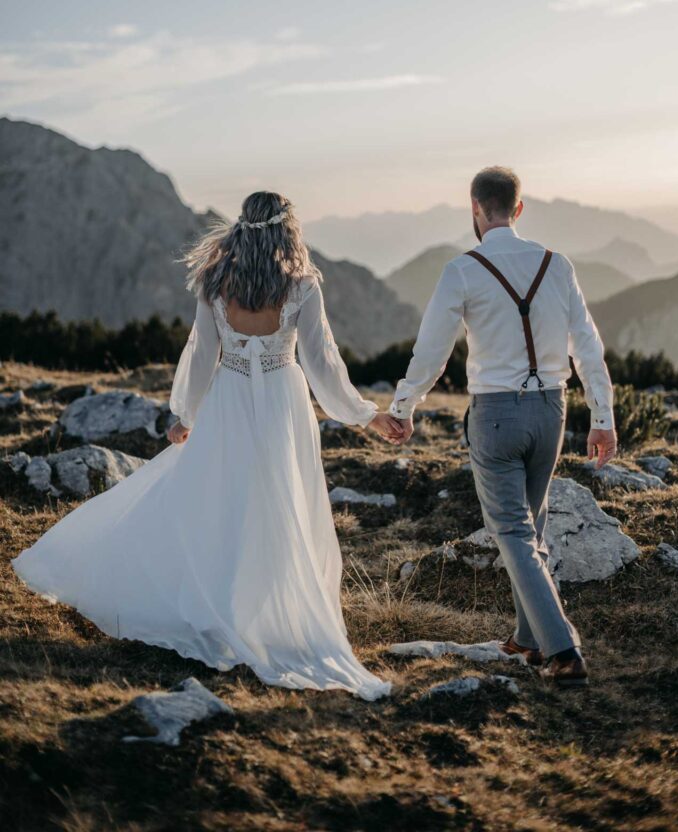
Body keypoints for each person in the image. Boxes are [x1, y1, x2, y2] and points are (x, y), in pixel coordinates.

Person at [13, 192, 399, 700]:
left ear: (244, 227)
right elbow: (323, 365)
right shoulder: (303, 285)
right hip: (284, 404)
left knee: (222, 503)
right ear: (289, 230)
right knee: (278, 506)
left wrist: (185, 415)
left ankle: (222, 605)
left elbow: (200, 357)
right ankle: (266, 611)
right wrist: (367, 415)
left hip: (229, 400)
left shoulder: (215, 283)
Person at [389, 167, 617, 688]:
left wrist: (404, 406)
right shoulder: (557, 265)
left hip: (494, 414)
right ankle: (528, 639)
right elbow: (587, 346)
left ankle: (563, 649)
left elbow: (432, 352)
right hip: (552, 411)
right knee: (530, 526)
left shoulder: (461, 270)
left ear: (475, 208)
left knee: (512, 530)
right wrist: (601, 418)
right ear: (519, 208)